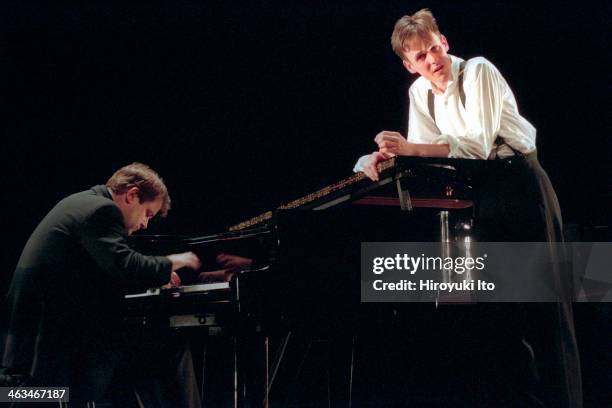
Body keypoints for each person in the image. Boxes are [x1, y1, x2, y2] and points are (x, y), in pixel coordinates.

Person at [353, 9, 581, 407]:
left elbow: (475, 147)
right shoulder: (419, 93)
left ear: (445, 42)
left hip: (520, 183)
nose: (432, 59)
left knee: (544, 311)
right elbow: (426, 157)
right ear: (410, 66)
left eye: (434, 47)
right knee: (499, 321)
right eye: (420, 57)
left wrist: (408, 148)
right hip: (480, 195)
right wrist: (381, 158)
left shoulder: (477, 71)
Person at [1, 162, 202, 406]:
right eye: (148, 213)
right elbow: (125, 267)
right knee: (171, 346)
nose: (145, 225)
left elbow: (103, 272)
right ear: (132, 195)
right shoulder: (101, 210)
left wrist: (154, 276)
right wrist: (172, 262)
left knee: (128, 356)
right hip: (53, 347)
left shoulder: (80, 202)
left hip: (33, 340)